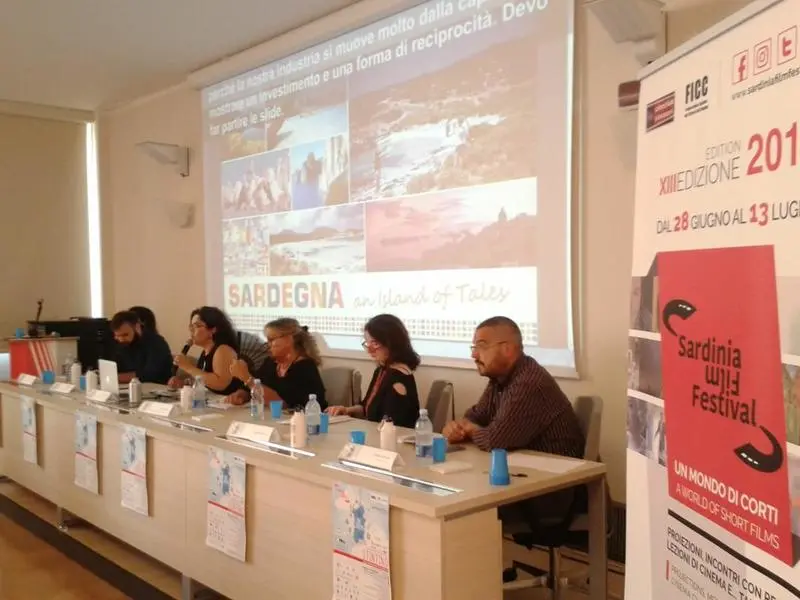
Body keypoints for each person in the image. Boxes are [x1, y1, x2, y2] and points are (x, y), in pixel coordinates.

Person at [443, 316, 585, 525]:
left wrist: (470, 430)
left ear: (507, 349)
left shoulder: (529, 382)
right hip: (523, 480)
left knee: (458, 508)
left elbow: (495, 441)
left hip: (550, 493)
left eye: (481, 346)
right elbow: (475, 416)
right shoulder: (500, 379)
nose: (474, 354)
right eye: (473, 347)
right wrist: (457, 427)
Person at [327, 314, 420, 428]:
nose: (369, 350)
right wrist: (346, 410)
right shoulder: (382, 370)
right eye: (367, 343)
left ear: (392, 343)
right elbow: (367, 408)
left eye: (375, 343)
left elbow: (393, 425)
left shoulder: (399, 376)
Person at [227, 318, 326, 410]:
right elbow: (256, 384)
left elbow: (282, 404)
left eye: (271, 340)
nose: (267, 344)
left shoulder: (305, 367)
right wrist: (242, 394)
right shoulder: (271, 363)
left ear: (289, 339)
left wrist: (246, 377)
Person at [170, 307, 241, 396]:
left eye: (197, 326)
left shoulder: (223, 350)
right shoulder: (205, 352)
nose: (192, 330)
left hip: (229, 403)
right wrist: (183, 383)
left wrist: (187, 367)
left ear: (213, 329)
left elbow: (220, 383)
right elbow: (204, 381)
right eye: (191, 326)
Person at [110, 310, 173, 385]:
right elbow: (115, 367)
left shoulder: (156, 342)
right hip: (130, 387)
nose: (121, 339)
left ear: (137, 327)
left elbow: (149, 375)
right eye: (117, 336)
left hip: (157, 388)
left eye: (125, 335)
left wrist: (116, 377)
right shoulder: (122, 344)